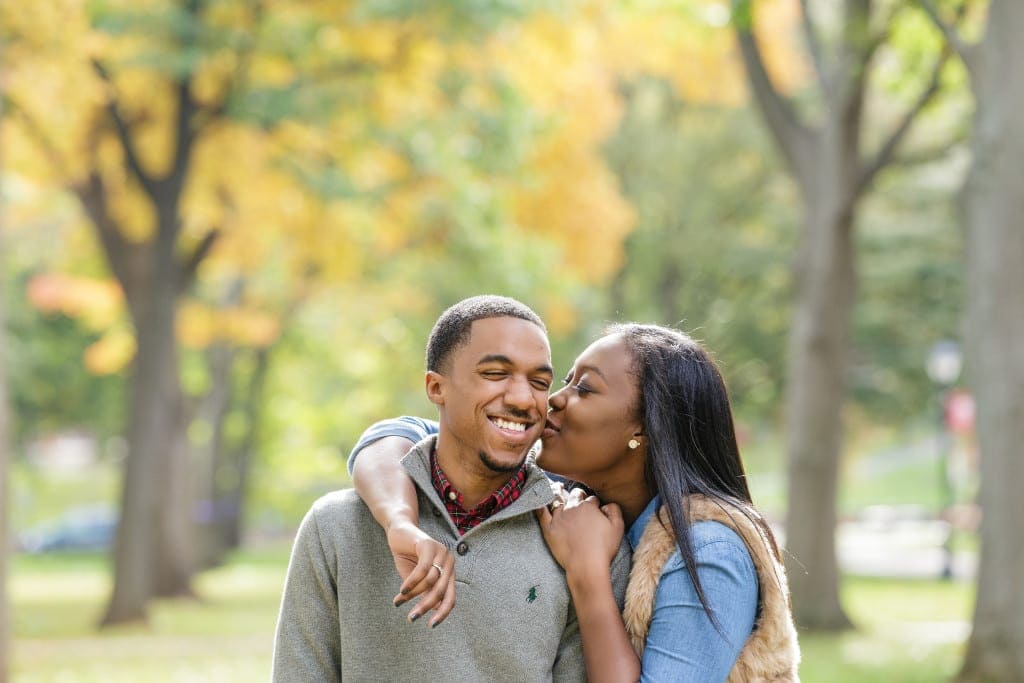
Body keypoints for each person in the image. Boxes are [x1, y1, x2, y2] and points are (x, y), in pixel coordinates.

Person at [350, 323, 800, 681]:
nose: (554, 401)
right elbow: (397, 435)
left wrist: (587, 573)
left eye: (584, 389)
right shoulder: (569, 495)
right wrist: (400, 521)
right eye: (564, 382)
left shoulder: (707, 552)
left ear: (642, 430)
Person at [271, 295, 630, 683]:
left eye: (540, 382)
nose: (524, 399)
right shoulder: (336, 527)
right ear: (436, 388)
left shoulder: (583, 543)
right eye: (495, 373)